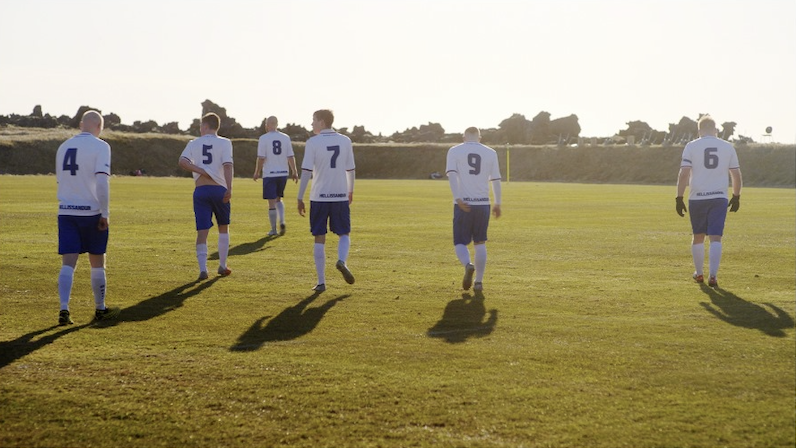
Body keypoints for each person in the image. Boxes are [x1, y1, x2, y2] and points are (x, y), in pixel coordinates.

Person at [55, 110, 119, 325]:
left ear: (82, 124)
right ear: (99, 127)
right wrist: (105, 212)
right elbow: (102, 182)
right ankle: (100, 309)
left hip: (66, 210)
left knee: (68, 263)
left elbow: (60, 180)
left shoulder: (63, 146)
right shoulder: (101, 146)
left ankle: (64, 309)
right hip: (90, 212)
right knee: (97, 261)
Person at [676, 115, 742, 288]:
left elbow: (683, 173)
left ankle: (699, 274)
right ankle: (713, 276)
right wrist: (736, 196)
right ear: (716, 130)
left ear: (699, 131)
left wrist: (679, 197)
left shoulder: (691, 146)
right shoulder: (727, 147)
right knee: (715, 237)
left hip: (697, 197)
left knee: (698, 236)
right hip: (719, 197)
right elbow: (735, 174)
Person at [296, 109, 356, 292]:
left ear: (322, 122)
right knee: (344, 233)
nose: (311, 124)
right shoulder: (345, 140)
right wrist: (350, 190)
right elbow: (351, 169)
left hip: (319, 196)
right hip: (340, 195)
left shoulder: (313, 142)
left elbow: (306, 171)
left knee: (319, 237)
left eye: (313, 120)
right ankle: (341, 260)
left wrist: (300, 197)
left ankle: (321, 282)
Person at [178, 113, 234, 280]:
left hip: (201, 191)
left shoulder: (194, 143)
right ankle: (222, 265)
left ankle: (203, 269)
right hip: (219, 190)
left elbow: (182, 161)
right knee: (223, 227)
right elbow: (228, 166)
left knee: (202, 232)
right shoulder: (225, 142)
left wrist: (201, 171)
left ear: (205, 126)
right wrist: (230, 188)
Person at [445, 127, 502, 292]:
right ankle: (479, 282)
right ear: (480, 137)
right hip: (483, 204)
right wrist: (497, 203)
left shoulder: (454, 151)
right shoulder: (491, 152)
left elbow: (453, 176)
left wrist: (458, 198)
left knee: (460, 242)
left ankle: (468, 265)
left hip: (463, 204)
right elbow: (496, 180)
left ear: (464, 137)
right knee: (480, 242)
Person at [253, 116, 298, 236]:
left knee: (271, 202)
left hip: (270, 174)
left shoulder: (263, 138)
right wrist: (294, 171)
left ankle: (273, 229)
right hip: (283, 173)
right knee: (279, 199)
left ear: (267, 124)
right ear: (277, 124)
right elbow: (290, 156)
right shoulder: (285, 137)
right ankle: (282, 221)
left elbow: (261, 158)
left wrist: (257, 172)